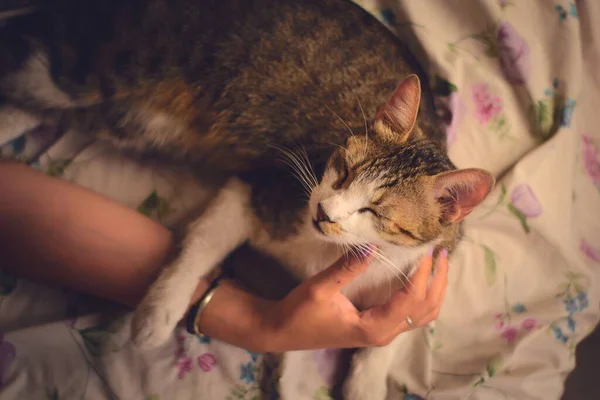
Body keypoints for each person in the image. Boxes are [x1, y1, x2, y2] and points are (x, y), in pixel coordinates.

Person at [0, 160, 448, 352]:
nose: (328, 208)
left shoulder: (416, 245)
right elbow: (248, 202)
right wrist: (257, 326)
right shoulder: (318, 207)